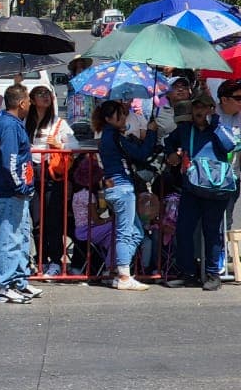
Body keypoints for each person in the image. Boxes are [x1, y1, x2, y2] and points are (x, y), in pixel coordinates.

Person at [163, 91, 236, 291]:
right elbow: (169, 141)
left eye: (205, 107)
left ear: (212, 109)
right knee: (184, 230)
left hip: (216, 188)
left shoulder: (219, 127)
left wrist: (215, 125)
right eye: (197, 107)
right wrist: (171, 154)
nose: (200, 111)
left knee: (212, 232)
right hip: (191, 188)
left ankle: (213, 274)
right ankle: (188, 273)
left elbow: (230, 145)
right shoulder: (186, 129)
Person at [93, 98, 156, 291]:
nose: (123, 117)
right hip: (122, 188)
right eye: (119, 114)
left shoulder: (110, 136)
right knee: (124, 232)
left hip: (119, 187)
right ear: (108, 118)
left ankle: (116, 269)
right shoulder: (113, 137)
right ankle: (123, 275)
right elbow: (141, 153)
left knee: (136, 232)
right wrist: (151, 132)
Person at [0, 84, 40, 304]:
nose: (30, 104)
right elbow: (10, 161)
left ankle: (19, 281)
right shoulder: (8, 126)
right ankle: (4, 285)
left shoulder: (11, 124)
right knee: (9, 238)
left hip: (17, 193)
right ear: (21, 103)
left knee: (20, 237)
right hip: (10, 193)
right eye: (28, 100)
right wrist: (20, 187)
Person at [24, 85, 76, 277]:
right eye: (40, 93)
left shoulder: (58, 123)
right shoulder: (24, 122)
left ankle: (55, 260)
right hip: (31, 172)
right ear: (31, 99)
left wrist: (60, 145)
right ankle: (41, 260)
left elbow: (74, 145)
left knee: (53, 220)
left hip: (51, 174)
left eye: (48, 94)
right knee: (36, 220)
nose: (45, 97)